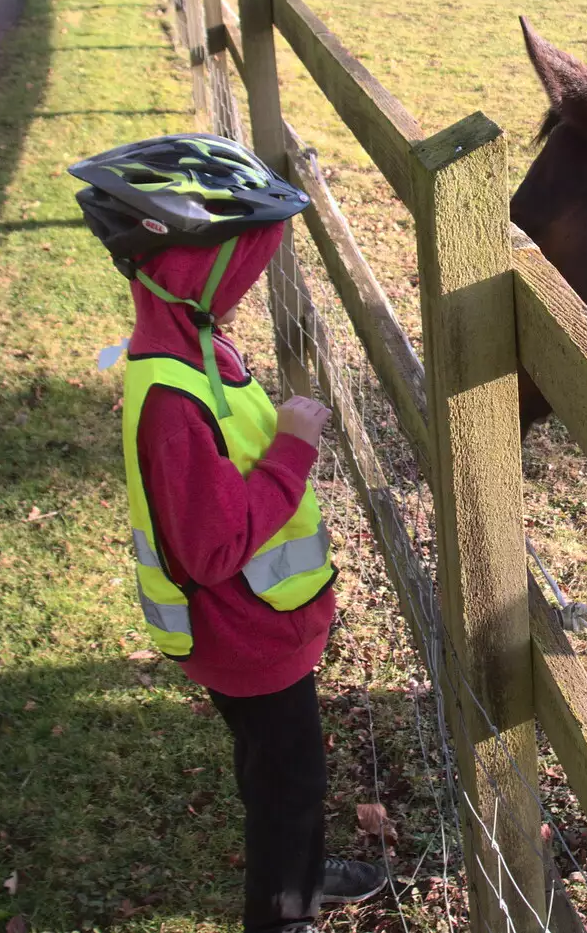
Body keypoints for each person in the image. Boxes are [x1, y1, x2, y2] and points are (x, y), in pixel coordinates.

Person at [69, 134, 387, 933]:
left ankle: (305, 879)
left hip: (261, 626)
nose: (250, 278)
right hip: (245, 637)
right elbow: (211, 547)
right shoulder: (172, 399)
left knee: (288, 776)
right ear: (189, 264)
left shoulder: (196, 340)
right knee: (289, 787)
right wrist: (293, 446)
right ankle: (284, 916)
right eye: (244, 260)